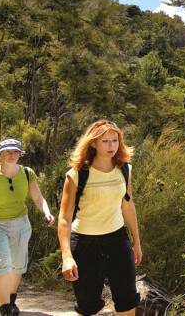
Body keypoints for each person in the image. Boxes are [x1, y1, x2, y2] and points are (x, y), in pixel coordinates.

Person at [58, 120, 142, 316]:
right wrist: (67, 256)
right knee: (87, 307)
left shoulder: (124, 170)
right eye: (105, 141)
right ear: (93, 143)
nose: (111, 146)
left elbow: (128, 206)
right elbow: (64, 218)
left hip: (118, 241)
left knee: (128, 301)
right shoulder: (77, 175)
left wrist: (136, 241)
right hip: (86, 244)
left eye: (115, 140)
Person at [0, 138, 56, 316]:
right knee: (0, 263)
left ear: (20, 154)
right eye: (7, 152)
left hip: (21, 224)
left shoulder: (27, 173)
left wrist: (46, 212)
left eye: (15, 152)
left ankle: (11, 301)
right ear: (0, 154)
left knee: (17, 264)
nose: (12, 155)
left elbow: (37, 197)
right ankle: (4, 307)